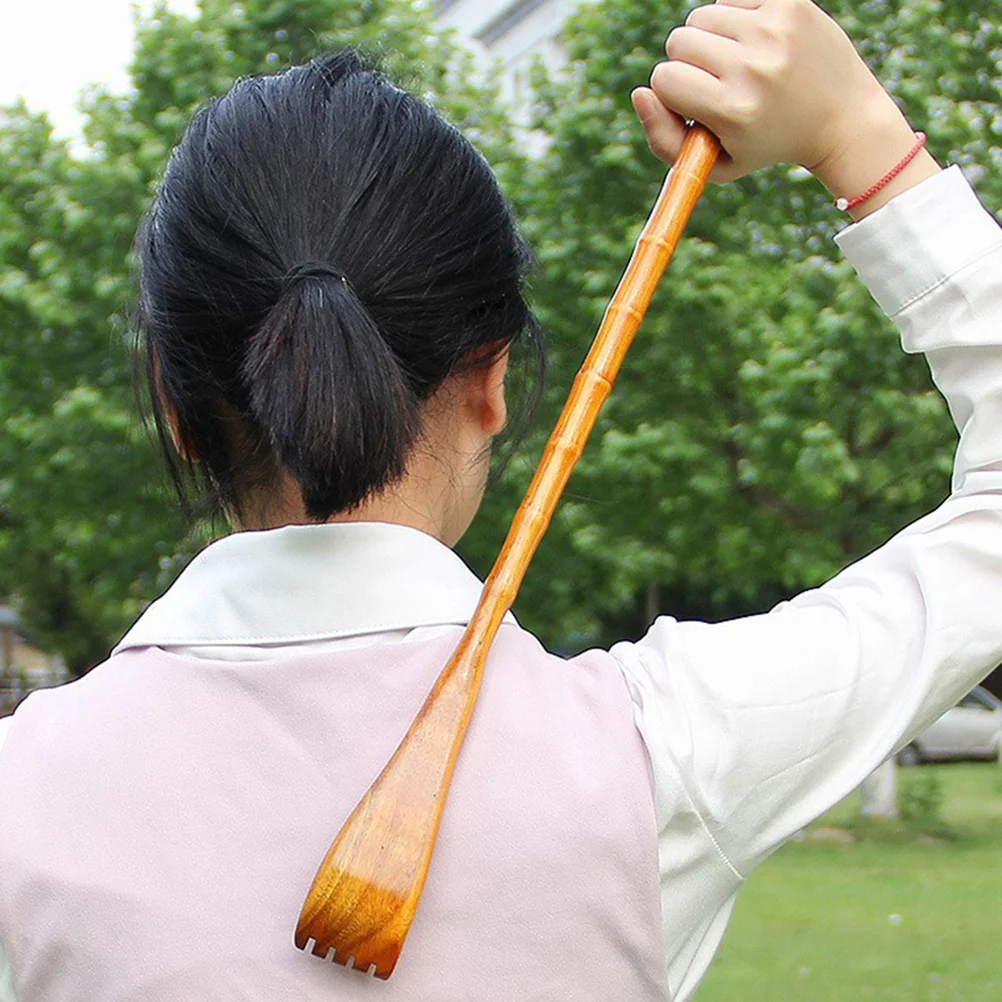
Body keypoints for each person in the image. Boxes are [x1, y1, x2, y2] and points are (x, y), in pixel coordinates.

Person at [1, 0, 1000, 998]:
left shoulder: (21, 793)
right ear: (492, 380)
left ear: (176, 406)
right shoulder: (663, 749)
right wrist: (857, 136)